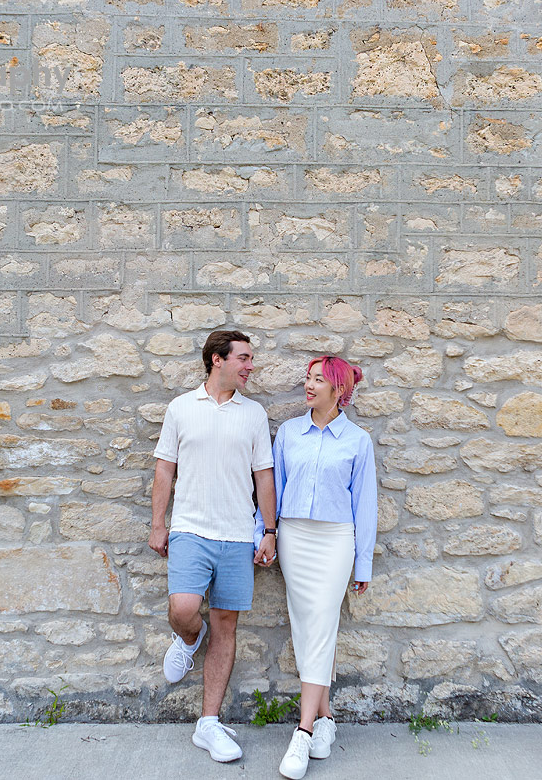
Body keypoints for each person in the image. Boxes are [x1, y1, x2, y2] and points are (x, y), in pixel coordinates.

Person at [149, 329, 279, 764]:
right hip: (190, 530)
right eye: (243, 357)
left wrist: (269, 530)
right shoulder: (181, 408)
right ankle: (189, 638)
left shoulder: (254, 414)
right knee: (184, 609)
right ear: (216, 359)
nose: (250, 366)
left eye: (250, 359)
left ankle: (208, 723)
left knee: (226, 626)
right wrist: (157, 524)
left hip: (238, 535)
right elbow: (165, 471)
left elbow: (264, 476)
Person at [258, 355, 377, 780]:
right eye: (308, 379)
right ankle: (326, 717)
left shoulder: (358, 441)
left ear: (339, 390)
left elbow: (365, 505)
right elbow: (275, 488)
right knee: (305, 628)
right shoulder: (289, 433)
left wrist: (362, 561)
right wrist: (265, 533)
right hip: (294, 537)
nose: (308, 386)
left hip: (334, 542)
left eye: (318, 380)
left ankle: (303, 731)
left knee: (323, 623)